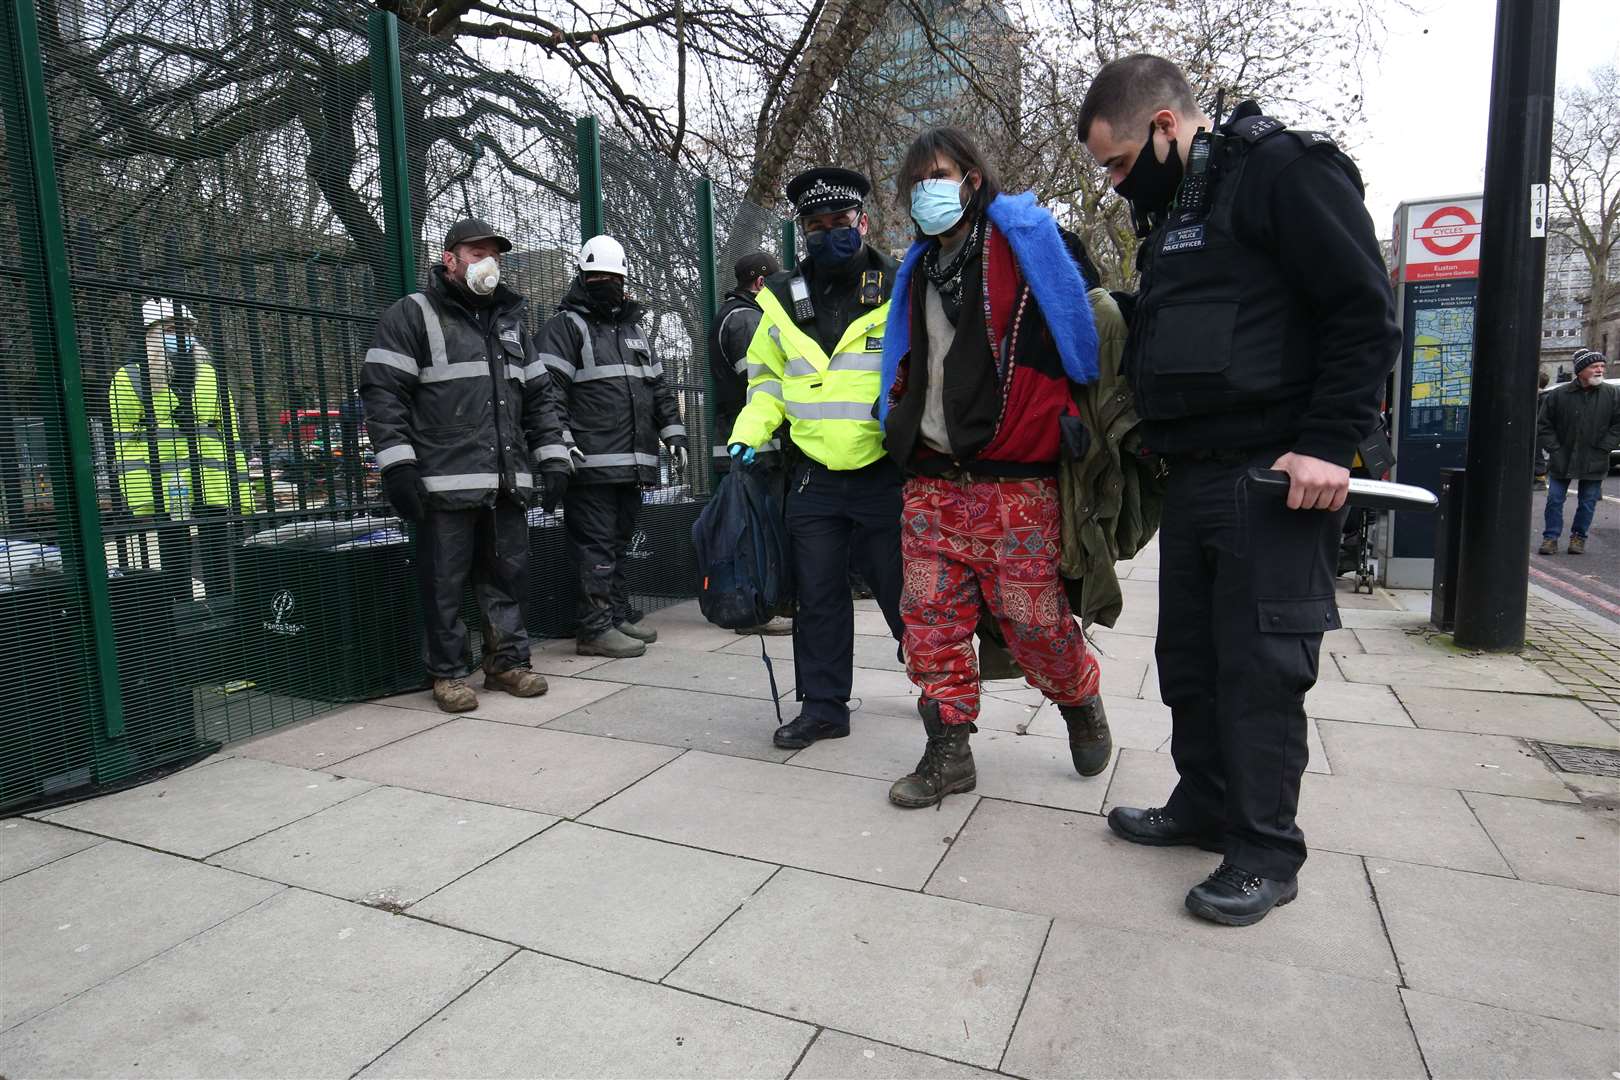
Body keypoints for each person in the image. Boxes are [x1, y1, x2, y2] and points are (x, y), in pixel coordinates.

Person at [1079, 55, 1399, 925]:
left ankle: (1265, 851)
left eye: (1116, 163)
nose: (1113, 184)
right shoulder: (1180, 204)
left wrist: (1330, 443)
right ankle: (1207, 804)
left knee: (1262, 670)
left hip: (1277, 476)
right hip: (1197, 474)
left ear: (1165, 126)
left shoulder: (1284, 170)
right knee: (1190, 660)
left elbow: (1362, 311)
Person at [878, 127, 1111, 808]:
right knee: (928, 623)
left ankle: (1078, 696)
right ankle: (948, 750)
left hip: (1015, 484)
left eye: (940, 176)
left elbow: (1083, 329)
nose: (928, 193)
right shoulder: (915, 270)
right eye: (916, 183)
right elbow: (906, 359)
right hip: (931, 482)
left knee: (1034, 623)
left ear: (974, 179)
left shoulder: (1030, 246)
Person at [726, 167, 906, 749]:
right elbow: (767, 382)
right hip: (814, 477)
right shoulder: (777, 299)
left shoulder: (901, 284)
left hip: (884, 470)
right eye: (816, 224)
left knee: (906, 592)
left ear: (864, 221)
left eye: (841, 221)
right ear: (801, 230)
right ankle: (824, 706)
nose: (830, 232)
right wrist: (748, 435)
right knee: (819, 596)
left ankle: (941, 689)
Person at [362, 217, 566, 713]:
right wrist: (398, 466)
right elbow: (384, 393)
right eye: (477, 253)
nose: (487, 263)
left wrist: (554, 458)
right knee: (444, 584)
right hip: (443, 482)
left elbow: (540, 398)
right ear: (449, 258)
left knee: (507, 578)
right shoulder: (413, 314)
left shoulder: (513, 323)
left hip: (505, 481)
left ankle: (507, 664)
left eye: (493, 254)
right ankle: (449, 674)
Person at [538, 235, 688, 658]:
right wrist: (561, 441)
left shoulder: (634, 331)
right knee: (596, 546)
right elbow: (549, 392)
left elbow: (658, 388)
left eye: (614, 277)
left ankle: (615, 615)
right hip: (589, 464)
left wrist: (673, 432)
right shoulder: (567, 328)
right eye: (598, 276)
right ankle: (594, 628)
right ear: (582, 277)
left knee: (618, 542)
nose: (608, 283)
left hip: (632, 462)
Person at [109, 298, 254, 600]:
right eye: (174, 329)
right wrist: (141, 498)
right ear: (150, 332)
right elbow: (124, 443)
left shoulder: (210, 374)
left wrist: (242, 491)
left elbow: (231, 436)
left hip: (211, 482)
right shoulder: (130, 376)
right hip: (166, 486)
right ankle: (180, 612)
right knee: (173, 551)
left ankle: (221, 608)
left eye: (188, 328)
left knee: (216, 553)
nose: (184, 335)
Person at [710, 249, 792, 636]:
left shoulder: (735, 315)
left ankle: (761, 599)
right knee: (754, 530)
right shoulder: (746, 320)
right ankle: (756, 605)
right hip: (753, 443)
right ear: (760, 283)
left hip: (745, 439)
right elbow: (761, 385)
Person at [1537, 348, 1619, 555]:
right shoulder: (1558, 395)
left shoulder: (1612, 394)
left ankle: (1578, 538)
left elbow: (1618, 425)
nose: (1600, 370)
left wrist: (1605, 447)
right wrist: (1554, 449)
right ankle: (1550, 538)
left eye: (1601, 366)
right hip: (1562, 457)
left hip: (1595, 457)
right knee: (1554, 500)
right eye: (1594, 367)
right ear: (1581, 370)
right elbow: (1544, 425)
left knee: (1588, 502)